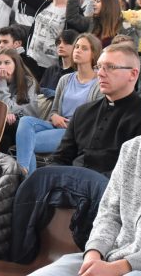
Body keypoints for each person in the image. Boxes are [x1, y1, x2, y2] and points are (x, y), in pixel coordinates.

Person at [30, 62, 141, 276]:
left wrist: (121, 267)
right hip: (112, 256)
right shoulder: (132, 149)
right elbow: (109, 213)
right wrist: (93, 252)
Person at [49, 43, 141, 177]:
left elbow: (133, 172)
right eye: (99, 67)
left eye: (110, 67)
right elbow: (60, 158)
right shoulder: (82, 112)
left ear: (132, 74)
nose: (100, 74)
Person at [15, 33, 103, 175]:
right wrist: (54, 116)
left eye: (84, 48)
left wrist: (71, 124)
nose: (78, 50)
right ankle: (27, 176)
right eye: (77, 47)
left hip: (74, 133)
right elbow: (54, 110)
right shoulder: (65, 79)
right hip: (56, 125)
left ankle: (24, 176)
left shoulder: (99, 83)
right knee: (25, 121)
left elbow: (95, 119)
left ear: (94, 54)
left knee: (26, 143)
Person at [0, 48, 40, 152]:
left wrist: (2, 83)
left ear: (16, 65)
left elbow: (11, 109)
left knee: (3, 128)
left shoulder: (28, 82)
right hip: (3, 125)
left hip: (25, 124)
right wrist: (4, 114)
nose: (1, 66)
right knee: (3, 137)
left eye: (7, 63)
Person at [67, 0, 141, 47]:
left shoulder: (127, 28)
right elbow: (72, 18)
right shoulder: (92, 22)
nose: (94, 4)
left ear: (108, 5)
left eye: (98, 1)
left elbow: (131, 51)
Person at [39, 29, 79, 97]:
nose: (60, 45)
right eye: (59, 42)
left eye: (66, 42)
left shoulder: (78, 73)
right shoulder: (51, 70)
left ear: (76, 46)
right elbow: (39, 92)